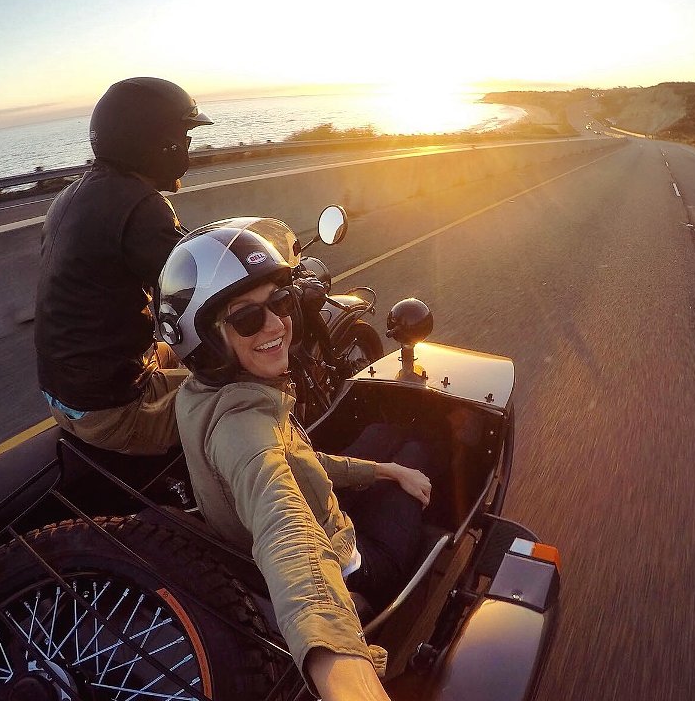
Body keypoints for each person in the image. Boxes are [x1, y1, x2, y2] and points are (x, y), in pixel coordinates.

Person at [158, 218, 434, 700]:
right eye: (246, 317)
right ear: (205, 338)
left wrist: (383, 471)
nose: (276, 325)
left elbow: (299, 459)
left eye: (280, 303)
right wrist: (347, 677)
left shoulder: (201, 393)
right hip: (355, 563)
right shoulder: (243, 430)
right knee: (420, 445)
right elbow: (285, 528)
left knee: (384, 437)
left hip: (321, 514)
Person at [34, 77, 212, 454]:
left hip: (67, 397)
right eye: (183, 136)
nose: (187, 147)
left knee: (172, 352)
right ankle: (219, 505)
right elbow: (201, 288)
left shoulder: (72, 195)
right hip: (114, 412)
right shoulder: (141, 207)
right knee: (239, 396)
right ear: (158, 143)